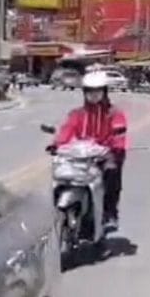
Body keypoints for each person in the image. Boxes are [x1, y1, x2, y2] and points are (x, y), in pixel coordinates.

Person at [51, 72, 129, 230]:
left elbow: (119, 133)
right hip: (83, 154)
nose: (93, 95)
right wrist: (56, 144)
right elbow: (67, 130)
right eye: (89, 91)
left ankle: (110, 214)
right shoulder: (77, 114)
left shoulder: (114, 113)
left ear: (104, 92)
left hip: (107, 153)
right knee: (62, 175)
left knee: (111, 176)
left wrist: (115, 148)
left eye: (97, 91)